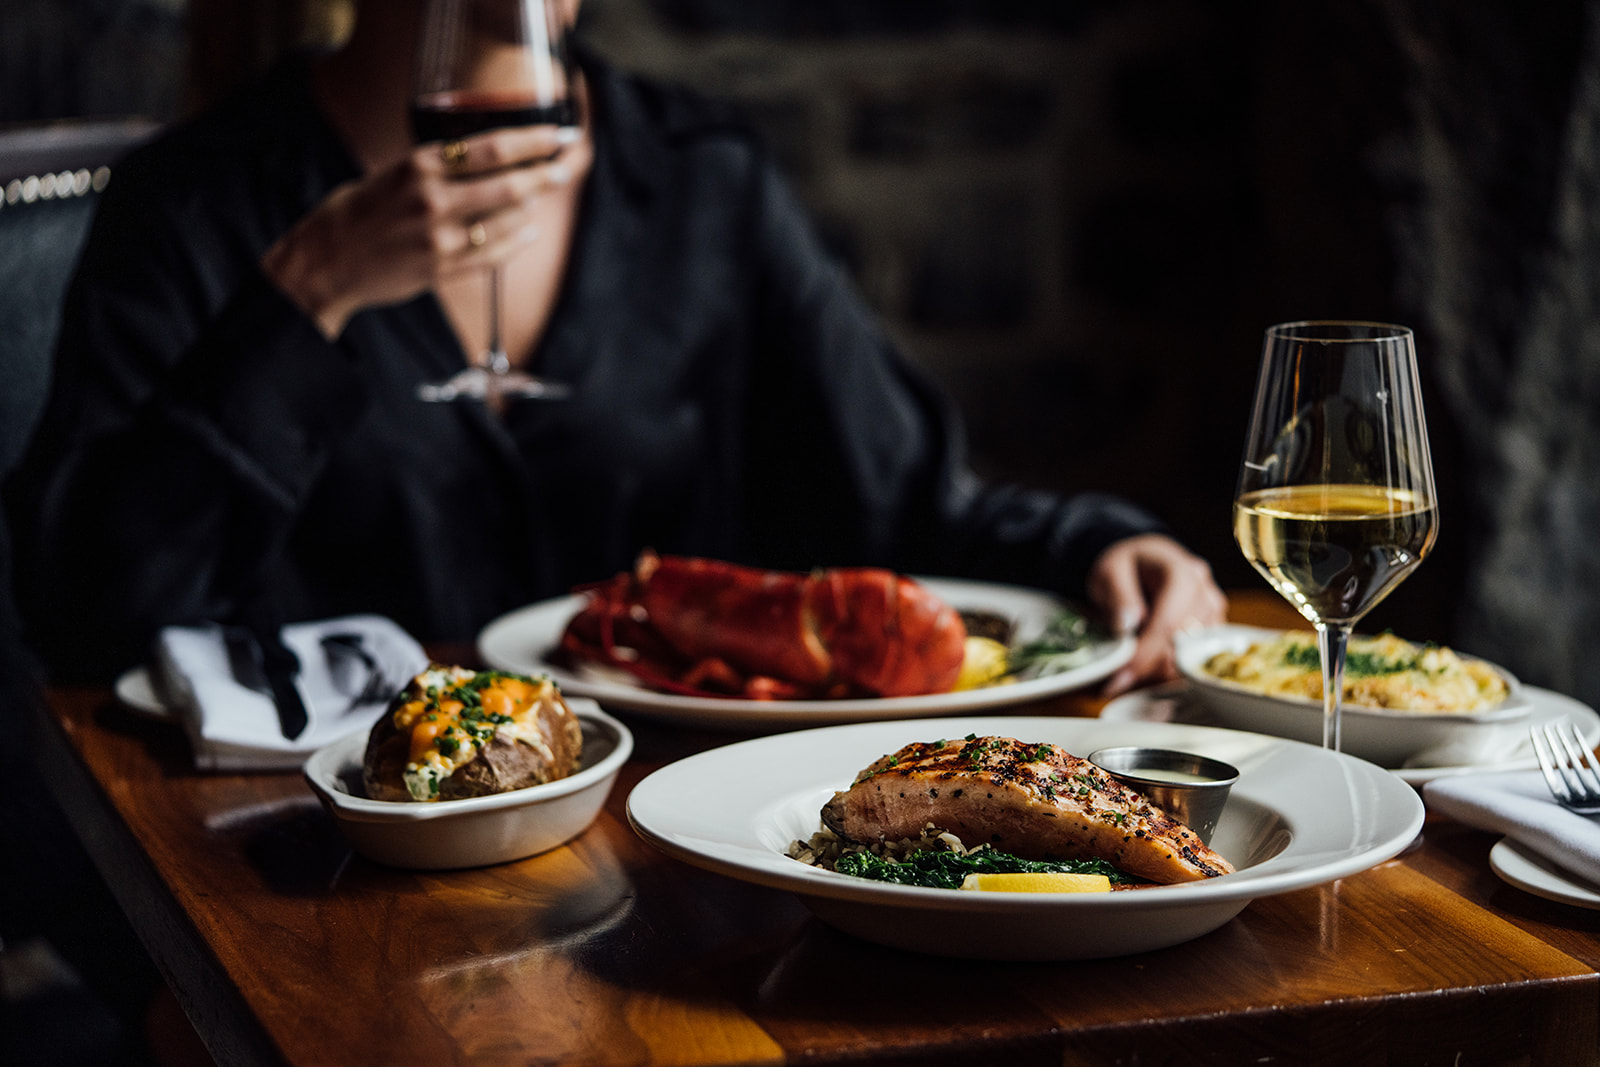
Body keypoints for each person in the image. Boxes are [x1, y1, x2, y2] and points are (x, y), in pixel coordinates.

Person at [4, 0, 1225, 695]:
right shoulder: (196, 202)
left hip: (668, 857)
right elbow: (88, 614)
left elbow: (901, 506)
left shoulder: (702, 181)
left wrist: (1108, 543)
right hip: (312, 875)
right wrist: (307, 295)